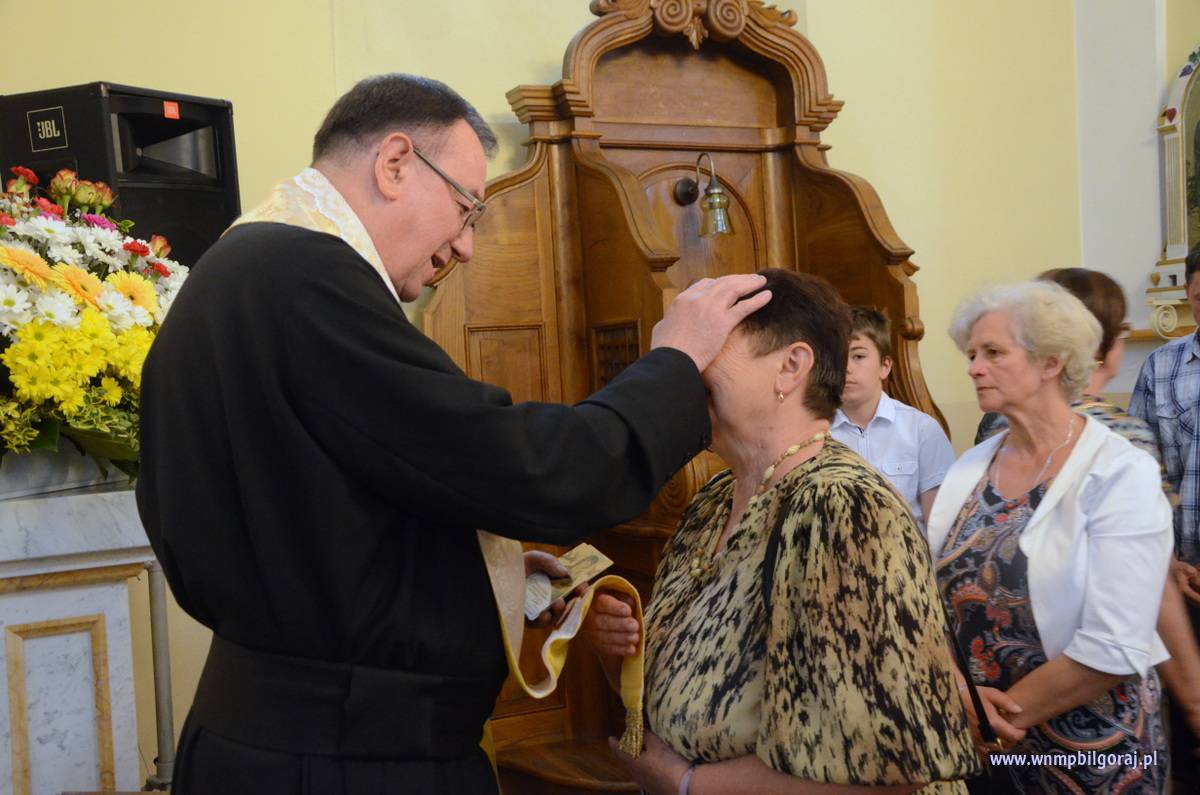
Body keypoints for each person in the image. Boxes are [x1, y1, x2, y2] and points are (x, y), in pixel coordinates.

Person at [135, 74, 772, 795]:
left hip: (275, 737)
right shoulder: (307, 278)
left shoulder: (238, 270)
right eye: (466, 208)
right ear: (395, 163)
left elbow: (320, 517)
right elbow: (530, 469)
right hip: (345, 759)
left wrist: (481, 568)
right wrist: (676, 361)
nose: (465, 246)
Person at [584, 270, 980, 795]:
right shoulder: (717, 499)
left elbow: (886, 772)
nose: (678, 370)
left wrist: (686, 783)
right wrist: (616, 650)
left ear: (791, 366)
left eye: (704, 346)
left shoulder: (840, 507)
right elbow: (684, 691)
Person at [932, 281, 1173, 792]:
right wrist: (962, 700)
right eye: (972, 354)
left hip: (1094, 750)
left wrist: (996, 722)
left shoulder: (1120, 471)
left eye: (993, 352)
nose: (974, 368)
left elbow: (1117, 642)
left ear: (1050, 362)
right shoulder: (969, 468)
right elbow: (928, 601)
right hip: (986, 743)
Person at [1130, 245, 1200, 788]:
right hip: (1182, 575)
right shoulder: (1161, 366)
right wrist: (1168, 560)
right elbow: (1141, 472)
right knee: (1185, 709)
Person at [831, 306, 954, 528]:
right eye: (838, 357)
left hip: (908, 548)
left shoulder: (921, 430)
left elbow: (940, 526)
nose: (846, 368)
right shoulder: (815, 433)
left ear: (884, 366)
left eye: (858, 356)